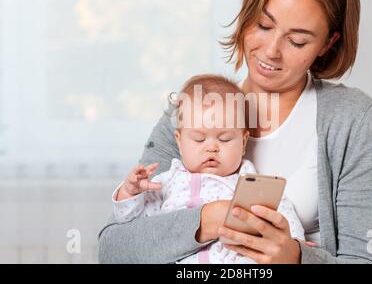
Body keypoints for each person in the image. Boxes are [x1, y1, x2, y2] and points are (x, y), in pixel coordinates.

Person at [98, 0, 372, 264]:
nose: (271, 51)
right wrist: (210, 219)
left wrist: (296, 258)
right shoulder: (194, 111)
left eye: (297, 40)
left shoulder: (353, 121)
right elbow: (114, 249)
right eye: (264, 26)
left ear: (328, 43)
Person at [110, 74, 305, 263]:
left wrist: (296, 246)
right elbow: (130, 224)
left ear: (243, 141)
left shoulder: (250, 185)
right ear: (179, 141)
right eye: (199, 139)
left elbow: (282, 214)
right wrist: (130, 192)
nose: (211, 147)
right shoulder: (165, 182)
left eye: (225, 139)